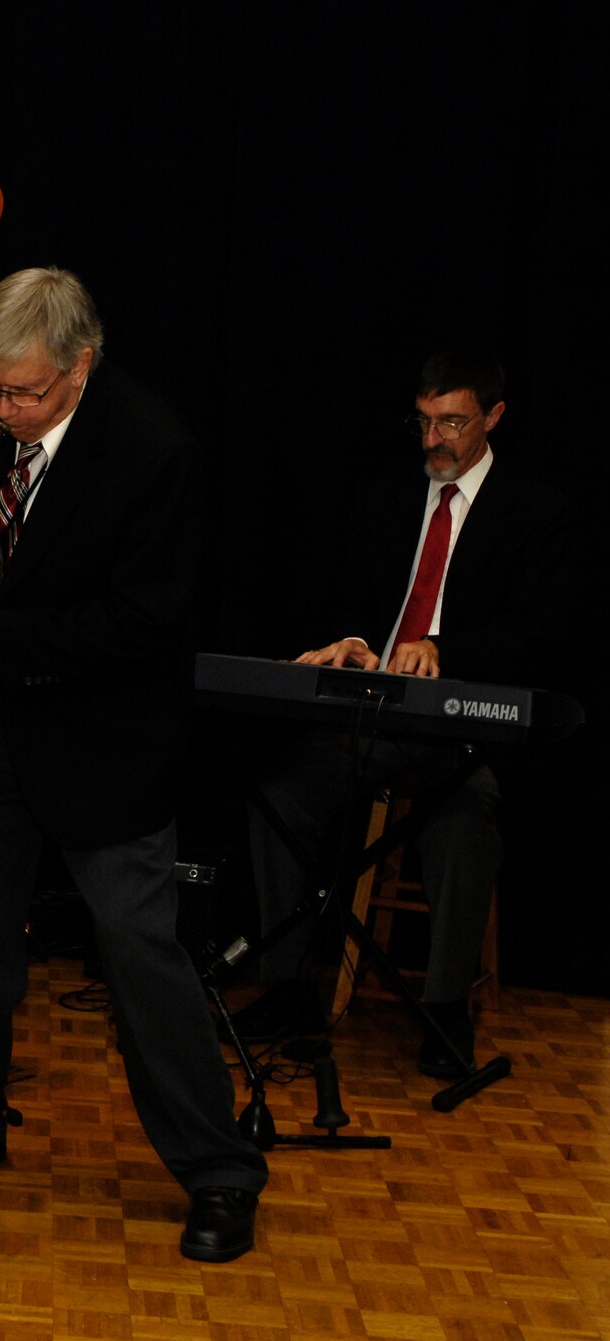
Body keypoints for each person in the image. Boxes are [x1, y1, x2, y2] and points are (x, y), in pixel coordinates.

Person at [0, 268, 269, 1263]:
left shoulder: (151, 452)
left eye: (25, 395)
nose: (4, 411)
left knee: (140, 957)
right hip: (3, 725)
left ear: (81, 364)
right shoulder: (5, 425)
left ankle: (218, 1171)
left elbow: (142, 624)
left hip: (105, 742)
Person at [237, 350, 576, 1074]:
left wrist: (441, 649)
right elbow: (348, 596)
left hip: (464, 722)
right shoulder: (384, 498)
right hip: (374, 712)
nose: (435, 440)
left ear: (494, 417)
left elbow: (537, 635)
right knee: (279, 798)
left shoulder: (536, 512)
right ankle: (289, 986)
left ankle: (446, 1008)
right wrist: (355, 642)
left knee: (462, 819)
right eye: (424, 422)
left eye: (452, 422)